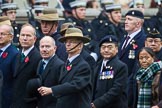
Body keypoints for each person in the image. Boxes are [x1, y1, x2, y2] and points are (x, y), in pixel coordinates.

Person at [37, 27, 92, 108]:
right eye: (66, 41)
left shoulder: (83, 66)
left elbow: (74, 85)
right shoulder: (66, 64)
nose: (68, 44)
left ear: (80, 45)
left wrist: (52, 90)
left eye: (72, 42)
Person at [118, 9, 146, 108]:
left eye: (129, 19)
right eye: (126, 19)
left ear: (138, 24)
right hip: (119, 84)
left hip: (130, 86)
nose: (125, 22)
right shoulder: (124, 38)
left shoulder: (143, 40)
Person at [91, 35, 128, 108]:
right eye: (103, 47)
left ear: (116, 49)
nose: (106, 50)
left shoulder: (121, 66)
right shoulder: (97, 65)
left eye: (110, 47)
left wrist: (97, 103)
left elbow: (116, 90)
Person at [11, 23, 41, 108]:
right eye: (22, 35)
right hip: (14, 102)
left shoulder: (38, 57)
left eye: (28, 36)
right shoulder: (17, 54)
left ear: (34, 39)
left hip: (29, 103)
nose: (24, 38)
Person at [35, 36, 64, 108]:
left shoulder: (60, 65)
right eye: (42, 47)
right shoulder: (40, 62)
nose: (44, 49)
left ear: (55, 48)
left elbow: (61, 89)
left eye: (47, 46)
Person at [0, 24, 19, 108]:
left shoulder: (15, 54)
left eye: (3, 34)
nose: (0, 36)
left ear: (11, 37)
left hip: (6, 98)